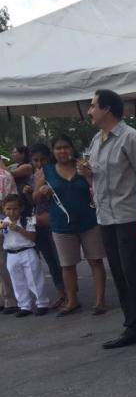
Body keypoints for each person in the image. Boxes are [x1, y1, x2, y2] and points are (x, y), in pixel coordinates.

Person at [79, 89, 136, 355]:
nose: (89, 111)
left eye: (93, 106)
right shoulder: (97, 139)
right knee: (120, 274)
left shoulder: (130, 137)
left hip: (129, 216)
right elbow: (100, 179)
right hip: (106, 217)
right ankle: (133, 326)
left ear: (107, 109)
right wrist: (87, 175)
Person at [33, 135, 107, 315]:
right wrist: (42, 191)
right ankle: (72, 300)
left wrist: (88, 176)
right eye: (58, 148)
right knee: (67, 265)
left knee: (95, 260)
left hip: (88, 221)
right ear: (53, 151)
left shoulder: (82, 165)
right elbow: (35, 197)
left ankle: (100, 301)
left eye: (66, 147)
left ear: (72, 148)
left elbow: (98, 188)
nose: (62, 151)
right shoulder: (46, 170)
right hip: (61, 224)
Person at [21, 144, 66, 309]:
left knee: (61, 260)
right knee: (50, 261)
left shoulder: (55, 173)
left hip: (55, 221)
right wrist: (29, 192)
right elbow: (34, 202)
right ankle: (61, 293)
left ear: (49, 158)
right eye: (35, 160)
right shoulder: (33, 177)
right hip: (38, 223)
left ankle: (70, 293)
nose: (39, 163)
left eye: (42, 159)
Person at [1, 194, 49, 317]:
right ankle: (24, 305)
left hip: (27, 251)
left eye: (15, 209)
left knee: (34, 279)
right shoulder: (3, 222)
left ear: (20, 209)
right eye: (8, 209)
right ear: (3, 209)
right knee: (17, 281)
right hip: (11, 254)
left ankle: (42, 303)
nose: (11, 212)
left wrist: (18, 229)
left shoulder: (27, 219)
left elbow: (33, 237)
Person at [0, 167, 18, 314]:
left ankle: (11, 300)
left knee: (3, 262)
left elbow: (13, 203)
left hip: (3, 221)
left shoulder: (4, 176)